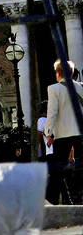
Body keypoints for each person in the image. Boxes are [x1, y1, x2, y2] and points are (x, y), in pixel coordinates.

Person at [45, 60, 83, 204]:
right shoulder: (81, 87)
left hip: (63, 135)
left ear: (58, 73)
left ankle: (55, 200)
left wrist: (49, 133)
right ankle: (77, 198)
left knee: (58, 170)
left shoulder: (54, 89)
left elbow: (52, 113)